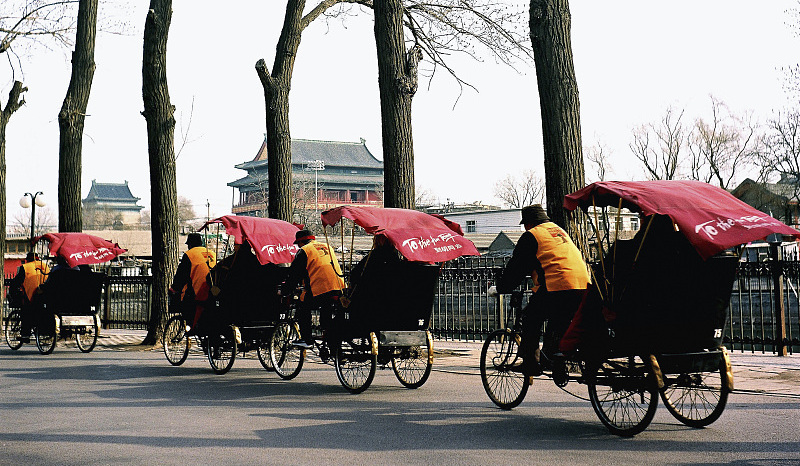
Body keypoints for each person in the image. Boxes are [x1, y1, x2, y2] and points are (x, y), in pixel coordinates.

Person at [489, 204, 590, 375]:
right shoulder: (558, 231)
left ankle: (531, 364)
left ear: (528, 223)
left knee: (530, 318)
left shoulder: (532, 236)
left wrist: (500, 288)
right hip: (582, 284)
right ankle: (558, 358)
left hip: (559, 285)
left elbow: (517, 268)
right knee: (558, 322)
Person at [282, 228, 345, 349]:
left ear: (301, 242)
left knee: (302, 307)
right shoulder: (327, 246)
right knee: (326, 310)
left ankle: (307, 339)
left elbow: (294, 275)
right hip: (339, 287)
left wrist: (286, 290)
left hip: (320, 289)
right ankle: (331, 343)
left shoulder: (304, 251)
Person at [169, 233, 216, 331]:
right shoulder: (211, 253)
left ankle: (191, 328)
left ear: (190, 244)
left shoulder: (189, 254)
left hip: (196, 291)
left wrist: (174, 288)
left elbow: (181, 275)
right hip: (213, 291)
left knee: (187, 308)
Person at [8, 252, 50, 342]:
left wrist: (12, 291)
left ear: (27, 259)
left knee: (26, 312)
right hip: (45, 294)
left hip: (32, 295)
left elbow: (16, 282)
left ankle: (25, 335)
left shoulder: (25, 267)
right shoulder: (45, 265)